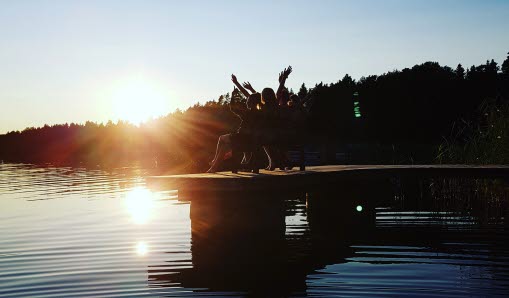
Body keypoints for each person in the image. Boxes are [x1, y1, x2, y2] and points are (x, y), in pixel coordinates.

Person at [207, 89, 261, 173]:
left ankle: (214, 164)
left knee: (221, 138)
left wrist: (232, 97)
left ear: (250, 102)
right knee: (224, 147)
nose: (246, 101)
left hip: (242, 138)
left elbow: (232, 108)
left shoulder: (248, 113)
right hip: (252, 140)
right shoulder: (259, 113)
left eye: (247, 100)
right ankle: (214, 166)